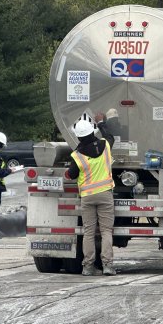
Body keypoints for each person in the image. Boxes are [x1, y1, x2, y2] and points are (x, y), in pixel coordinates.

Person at [66, 115, 116, 276]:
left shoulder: (77, 155)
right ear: (92, 131)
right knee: (106, 231)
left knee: (88, 232)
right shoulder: (105, 145)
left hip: (87, 196)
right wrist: (102, 123)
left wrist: (67, 173)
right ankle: (107, 266)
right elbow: (109, 136)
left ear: (78, 136)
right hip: (105, 194)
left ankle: (88, 267)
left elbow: (71, 175)